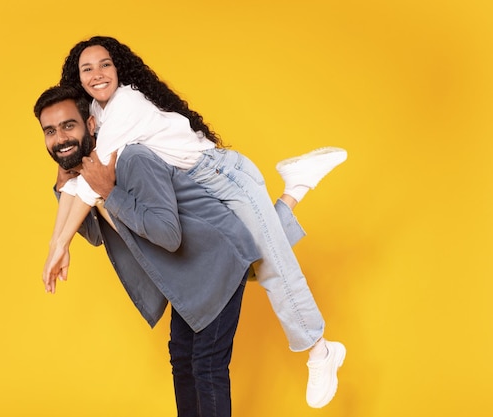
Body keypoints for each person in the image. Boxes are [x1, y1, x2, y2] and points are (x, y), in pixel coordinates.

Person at [45, 36, 347, 408]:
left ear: (118, 67)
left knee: (270, 262)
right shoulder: (97, 112)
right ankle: (297, 186)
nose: (97, 74)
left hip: (224, 174)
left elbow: (93, 186)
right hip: (196, 185)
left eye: (105, 64)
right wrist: (58, 231)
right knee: (244, 253)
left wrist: (58, 244)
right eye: (86, 68)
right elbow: (81, 184)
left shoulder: (126, 104)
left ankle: (318, 348)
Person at [34, 85, 261, 416]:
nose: (60, 138)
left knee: (207, 366)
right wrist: (63, 182)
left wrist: (109, 192)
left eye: (69, 125)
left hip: (216, 260)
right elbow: (98, 235)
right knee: (182, 360)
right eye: (50, 131)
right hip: (185, 275)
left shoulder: (133, 159)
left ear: (91, 125)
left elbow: (168, 235)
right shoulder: (87, 179)